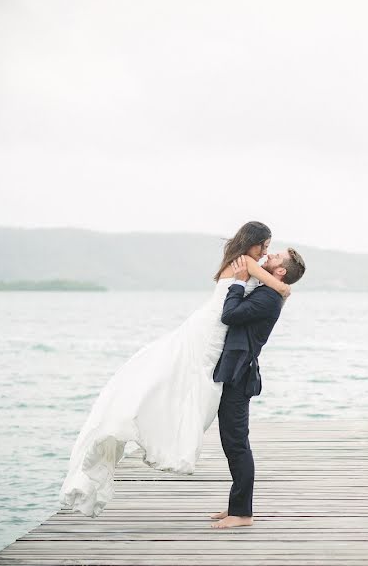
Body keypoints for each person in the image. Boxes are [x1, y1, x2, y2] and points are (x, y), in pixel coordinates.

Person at [59, 221, 293, 518]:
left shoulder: (241, 262)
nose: (266, 254)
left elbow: (264, 291)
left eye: (271, 252)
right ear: (253, 243)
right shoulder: (245, 263)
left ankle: (238, 508)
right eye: (266, 247)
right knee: (181, 379)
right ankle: (236, 506)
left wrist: (276, 291)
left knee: (179, 380)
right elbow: (278, 286)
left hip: (213, 331)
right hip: (210, 329)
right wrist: (285, 291)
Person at [210, 248, 306, 529]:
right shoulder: (268, 290)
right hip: (237, 370)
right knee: (232, 441)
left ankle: (242, 514)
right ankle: (235, 506)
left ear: (281, 272)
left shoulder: (268, 297)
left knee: (237, 442)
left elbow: (229, 315)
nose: (270, 255)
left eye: (275, 256)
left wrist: (239, 282)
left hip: (240, 375)